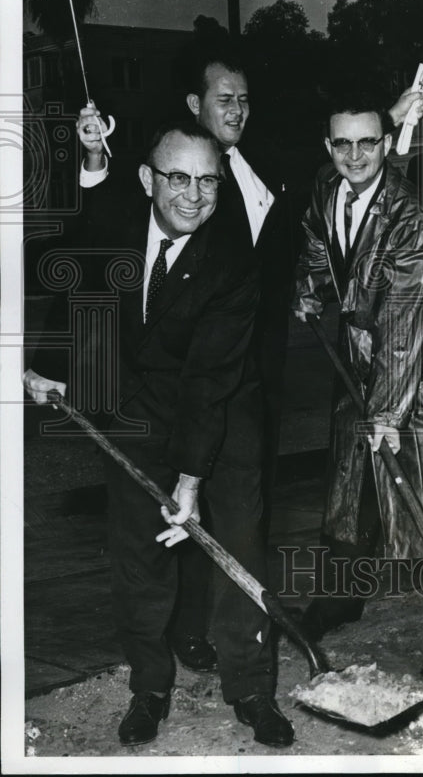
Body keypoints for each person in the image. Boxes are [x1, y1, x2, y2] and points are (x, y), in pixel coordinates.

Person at [76, 49, 423, 673]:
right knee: (183, 501)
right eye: (223, 99)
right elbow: (106, 222)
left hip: (256, 371)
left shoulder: (266, 161)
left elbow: (349, 167)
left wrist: (395, 119)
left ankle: (242, 632)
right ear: (195, 106)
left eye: (243, 99)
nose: (236, 110)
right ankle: (188, 632)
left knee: (244, 508)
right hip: (189, 380)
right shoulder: (180, 178)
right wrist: (95, 157)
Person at [24, 121, 294, 747]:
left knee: (238, 553)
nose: (194, 195)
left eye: (208, 181)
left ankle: (252, 689)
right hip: (139, 412)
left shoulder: (232, 264)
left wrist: (190, 481)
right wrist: (48, 365)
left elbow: (208, 382)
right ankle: (149, 686)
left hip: (223, 420)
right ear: (147, 179)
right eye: (179, 178)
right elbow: (79, 287)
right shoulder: (117, 231)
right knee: (139, 557)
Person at [292, 100, 423, 678]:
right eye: (342, 144)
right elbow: (319, 247)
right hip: (366, 362)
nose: (355, 156)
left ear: (386, 143)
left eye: (367, 143)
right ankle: (339, 598)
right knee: (348, 488)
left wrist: (388, 414)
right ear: (327, 148)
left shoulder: (409, 216)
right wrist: (310, 288)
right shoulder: (328, 191)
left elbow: (404, 319)